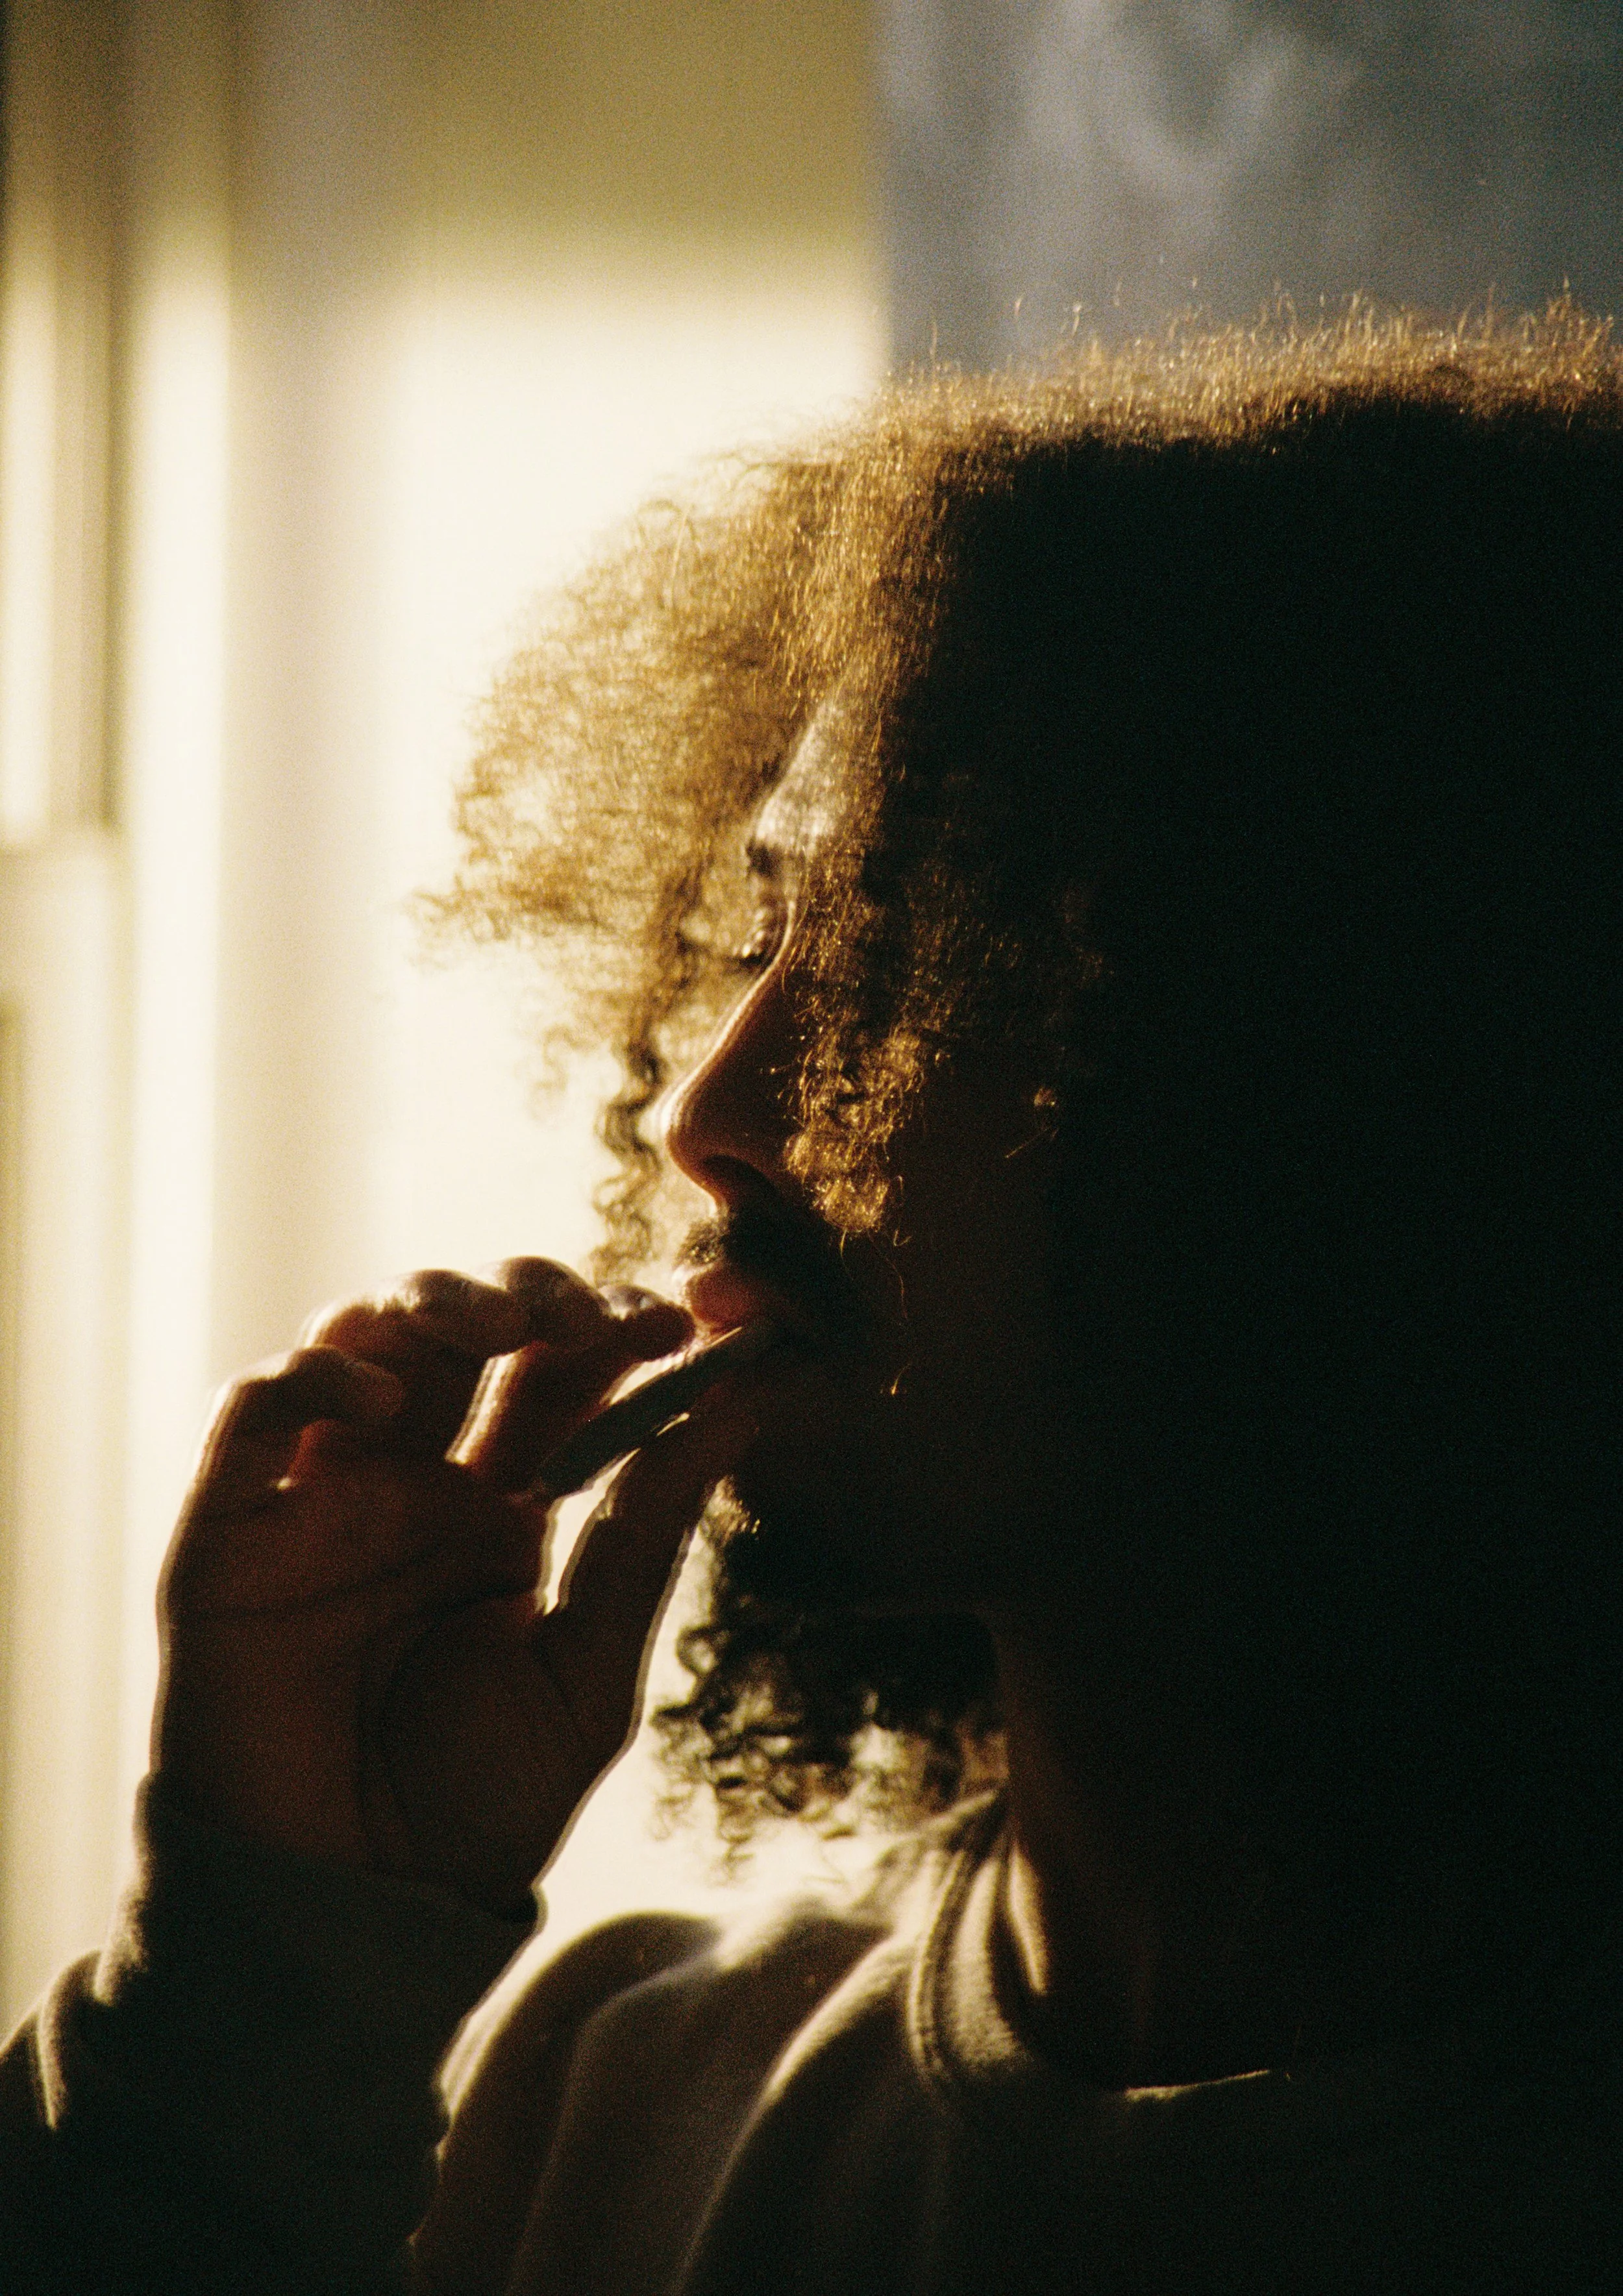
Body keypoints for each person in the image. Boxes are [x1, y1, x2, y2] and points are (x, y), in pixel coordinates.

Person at [3, 307, 1622, 2293]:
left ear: (1385, 1094)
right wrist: (265, 1980)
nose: (710, 1107)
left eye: (946, 965)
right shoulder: (610, 2102)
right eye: (772, 930)